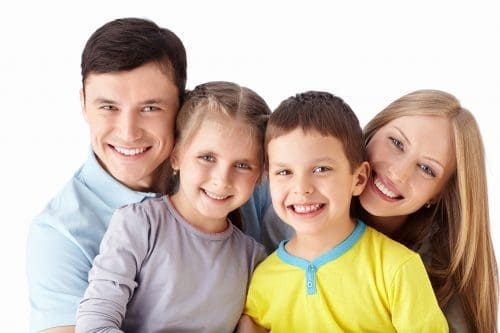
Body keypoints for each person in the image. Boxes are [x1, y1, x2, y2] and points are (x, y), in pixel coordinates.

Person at [26, 18, 270, 333]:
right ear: (84, 105)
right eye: (108, 107)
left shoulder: (240, 175)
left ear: (181, 107)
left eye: (150, 108)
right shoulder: (59, 234)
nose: (128, 133)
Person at [239, 91, 448, 332]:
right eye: (284, 172)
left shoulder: (398, 268)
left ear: (359, 178)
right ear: (268, 179)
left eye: (321, 169)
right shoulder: (263, 278)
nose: (301, 188)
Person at [75, 81, 270, 332]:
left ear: (260, 175)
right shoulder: (139, 225)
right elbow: (94, 324)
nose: (222, 179)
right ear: (176, 156)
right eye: (207, 157)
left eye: (243, 165)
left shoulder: (253, 258)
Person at [357, 89, 499, 332]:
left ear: (438, 194)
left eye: (426, 168)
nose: (399, 173)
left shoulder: (443, 276)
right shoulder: (295, 200)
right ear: (373, 130)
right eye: (397, 143)